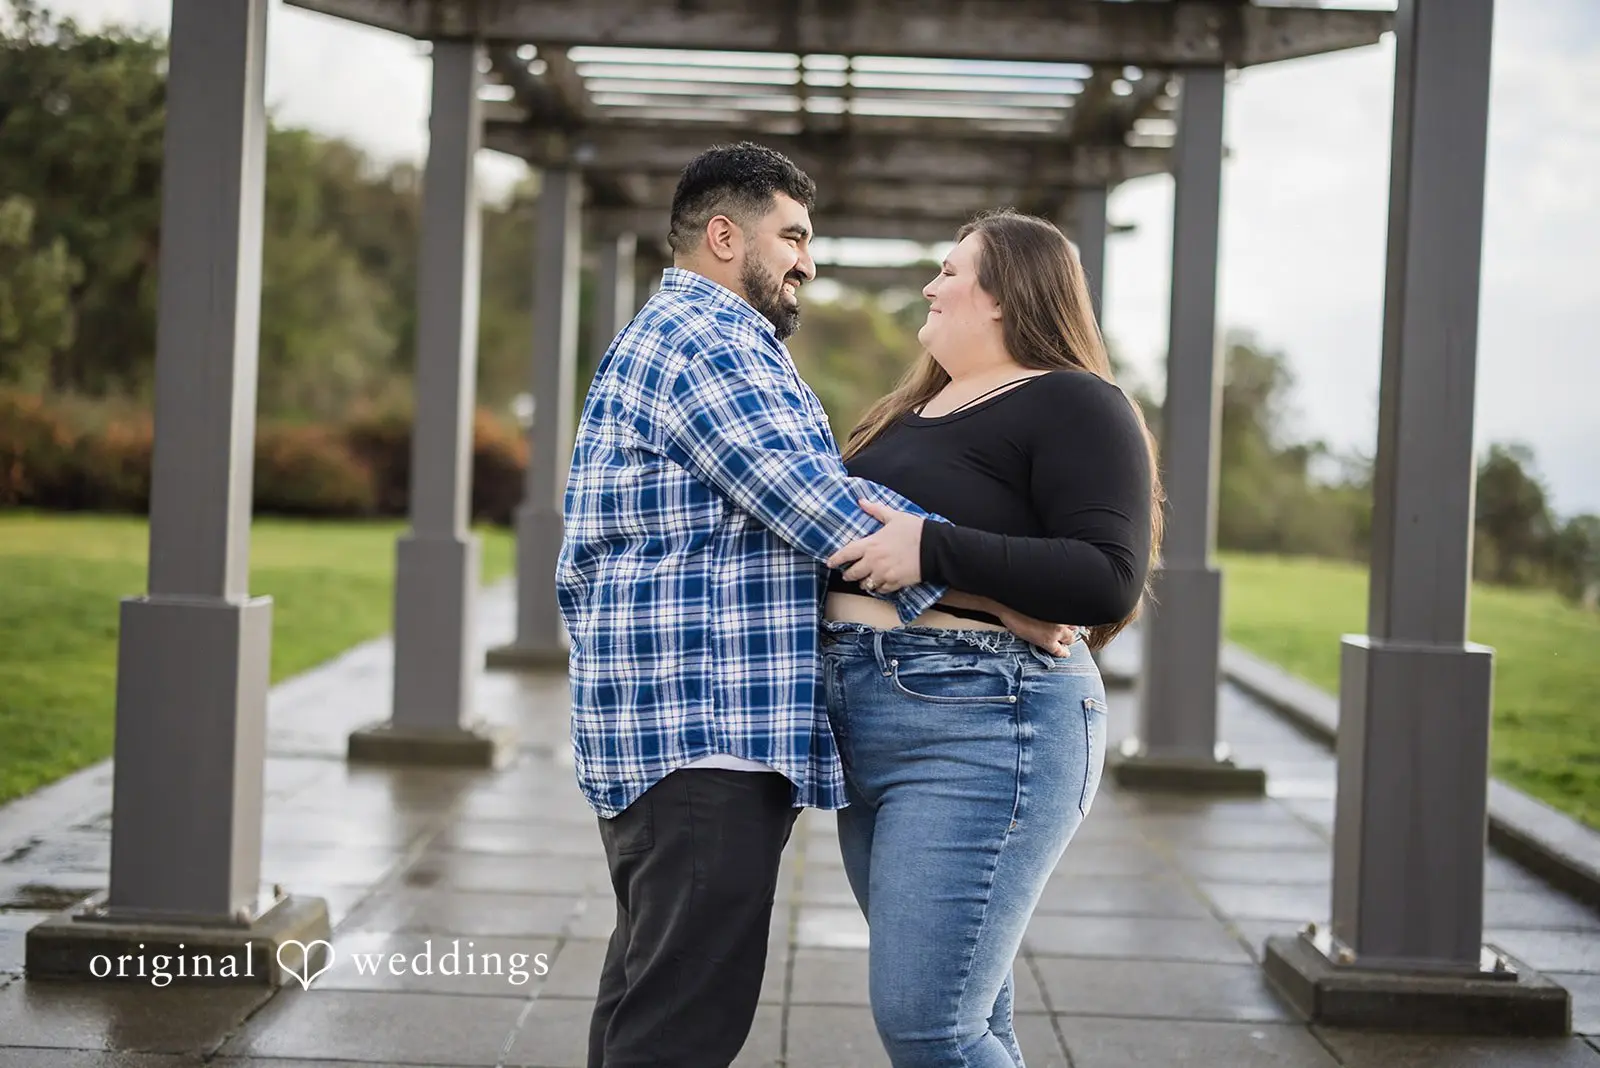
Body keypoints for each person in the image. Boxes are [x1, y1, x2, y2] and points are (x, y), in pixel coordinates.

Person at [554, 142, 966, 1068]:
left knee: (649, 1003)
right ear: (724, 234)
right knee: (682, 1026)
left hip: (679, 737)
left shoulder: (687, 336)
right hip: (701, 738)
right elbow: (821, 505)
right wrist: (1014, 582)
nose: (807, 263)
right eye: (794, 237)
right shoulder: (706, 340)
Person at [818, 209, 1164, 1068]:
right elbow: (855, 551)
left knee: (929, 1024)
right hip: (867, 717)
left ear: (1008, 293)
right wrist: (976, 583)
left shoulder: (1076, 401)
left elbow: (1109, 576)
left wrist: (935, 548)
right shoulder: (910, 413)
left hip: (987, 724)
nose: (930, 288)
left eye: (950, 270)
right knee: (971, 1020)